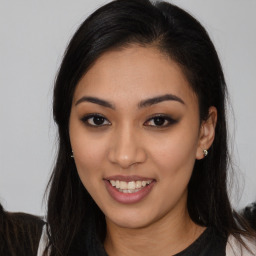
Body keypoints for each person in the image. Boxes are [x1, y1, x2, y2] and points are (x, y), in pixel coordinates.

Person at [38, 0, 256, 255]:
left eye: (158, 120)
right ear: (67, 130)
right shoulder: (24, 245)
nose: (125, 156)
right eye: (97, 120)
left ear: (204, 133)